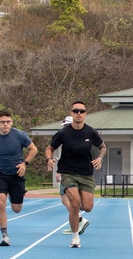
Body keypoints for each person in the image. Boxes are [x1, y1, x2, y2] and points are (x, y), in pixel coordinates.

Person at [45, 101, 105, 249]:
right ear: (72, 113)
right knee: (75, 204)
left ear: (85, 114)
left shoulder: (90, 132)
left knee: (88, 206)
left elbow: (102, 146)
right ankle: (75, 237)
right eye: (76, 111)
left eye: (82, 111)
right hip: (68, 173)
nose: (79, 114)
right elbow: (49, 148)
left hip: (85, 174)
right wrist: (49, 159)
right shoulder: (63, 133)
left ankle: (78, 224)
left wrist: (99, 158)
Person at [0, 109, 38, 247]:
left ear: (11, 122)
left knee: (16, 209)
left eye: (8, 122)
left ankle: (13, 195)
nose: (5, 124)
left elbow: (33, 149)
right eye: (2, 122)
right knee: (0, 203)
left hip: (17, 174)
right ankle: (4, 235)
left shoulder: (20, 135)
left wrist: (25, 163)